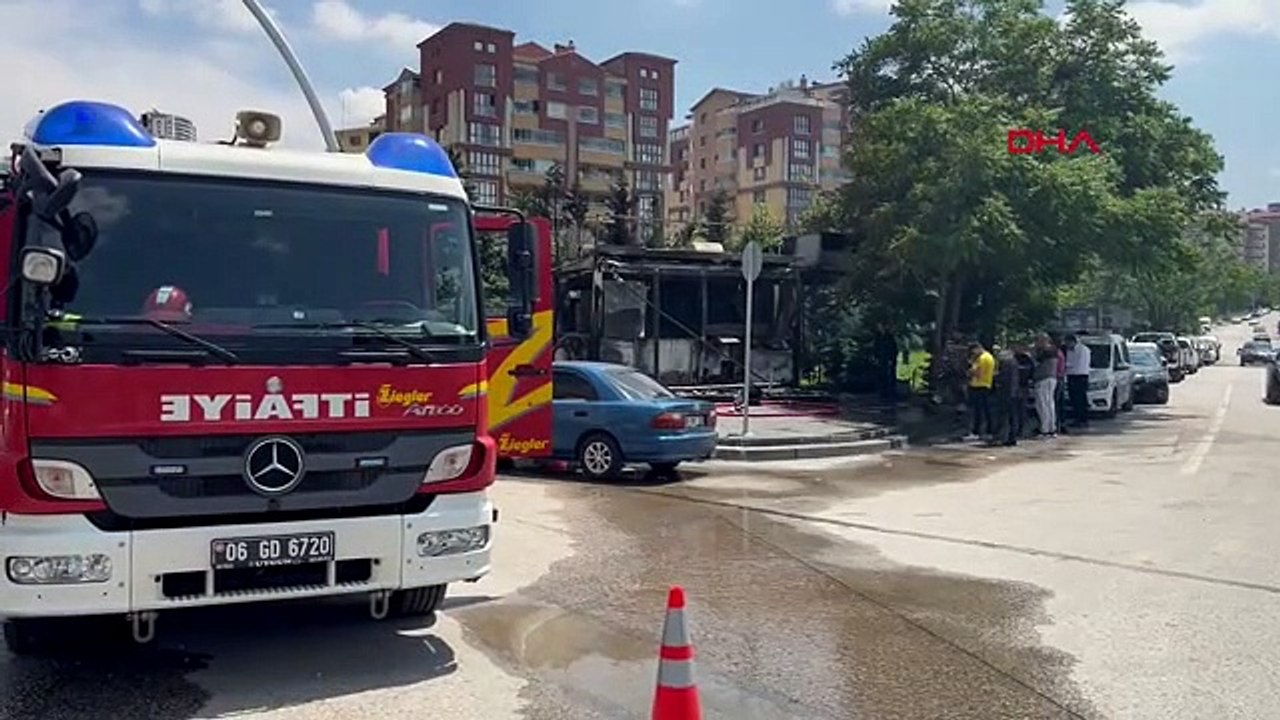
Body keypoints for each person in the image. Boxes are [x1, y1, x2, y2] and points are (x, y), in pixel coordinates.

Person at [991, 344, 1026, 446]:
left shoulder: (1006, 364)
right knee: (1013, 416)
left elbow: (1004, 378)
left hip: (1006, 393)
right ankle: (1012, 437)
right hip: (1014, 392)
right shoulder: (1014, 362)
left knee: (1004, 416)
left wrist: (996, 377)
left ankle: (1002, 437)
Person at [965, 340, 996, 441]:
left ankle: (976, 431)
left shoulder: (982, 359)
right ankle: (988, 430)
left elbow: (976, 373)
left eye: (973, 352)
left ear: (976, 349)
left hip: (979, 385)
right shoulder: (989, 357)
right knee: (986, 409)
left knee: (977, 410)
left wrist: (970, 371)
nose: (973, 354)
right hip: (986, 384)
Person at [1032, 335, 1058, 437]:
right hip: (1052, 378)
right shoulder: (1054, 350)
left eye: (1038, 341)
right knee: (1050, 404)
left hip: (1043, 378)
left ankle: (1044, 429)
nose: (1036, 343)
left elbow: (1036, 361)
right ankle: (1051, 428)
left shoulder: (1045, 351)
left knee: (1042, 404)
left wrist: (1034, 351)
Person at [1063, 334, 1091, 428]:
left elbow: (1076, 364)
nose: (1066, 345)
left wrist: (1066, 365)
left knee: (1080, 399)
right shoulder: (1070, 350)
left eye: (1067, 343)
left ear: (1072, 341)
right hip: (1072, 376)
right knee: (1074, 399)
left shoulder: (1082, 350)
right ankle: (1078, 419)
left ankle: (1082, 419)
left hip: (1079, 376)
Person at [872, 323, 899, 402]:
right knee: (881, 376)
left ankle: (890, 393)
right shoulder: (878, 338)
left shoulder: (889, 338)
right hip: (881, 360)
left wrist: (891, 359)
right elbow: (875, 348)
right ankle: (882, 393)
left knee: (889, 376)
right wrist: (876, 358)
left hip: (888, 360)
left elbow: (893, 350)